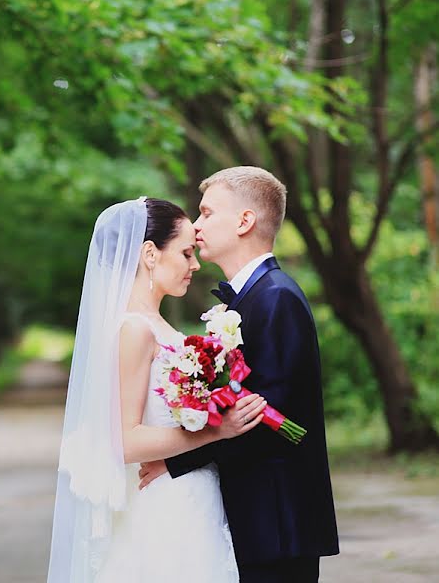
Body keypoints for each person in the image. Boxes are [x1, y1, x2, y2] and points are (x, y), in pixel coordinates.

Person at [46, 196, 267, 583]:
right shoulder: (133, 329)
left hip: (191, 496)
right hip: (163, 504)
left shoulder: (156, 323)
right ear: (150, 254)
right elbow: (126, 441)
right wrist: (219, 429)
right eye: (186, 253)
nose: (195, 265)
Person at [144, 166, 340, 582]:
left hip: (278, 521)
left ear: (245, 221)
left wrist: (174, 462)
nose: (196, 226)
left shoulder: (277, 298)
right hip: (256, 517)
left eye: (207, 213)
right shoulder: (253, 298)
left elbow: (267, 418)